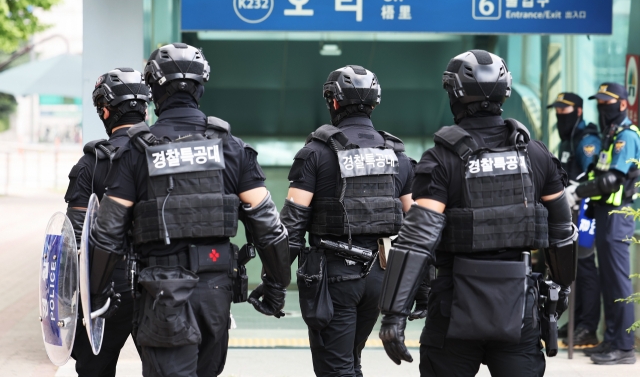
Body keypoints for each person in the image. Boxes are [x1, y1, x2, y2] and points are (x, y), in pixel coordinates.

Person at [87, 43, 291, 377]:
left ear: (152, 90)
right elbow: (268, 225)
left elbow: (108, 232)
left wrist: (97, 295)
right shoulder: (230, 146)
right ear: (201, 86)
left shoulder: (137, 151)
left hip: (161, 292)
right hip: (216, 291)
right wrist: (276, 285)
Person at [377, 50, 576, 376]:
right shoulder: (535, 154)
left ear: (454, 94)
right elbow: (562, 229)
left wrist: (393, 314)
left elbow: (416, 240)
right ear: (505, 91)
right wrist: (563, 286)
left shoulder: (441, 159)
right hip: (519, 306)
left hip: (454, 305)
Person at [279, 65, 415, 377]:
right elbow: (416, 225)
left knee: (336, 368)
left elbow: (292, 226)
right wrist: (419, 286)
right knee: (351, 360)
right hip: (380, 277)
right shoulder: (398, 155)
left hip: (334, 277)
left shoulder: (315, 152)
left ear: (334, 102)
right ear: (374, 103)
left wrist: (275, 282)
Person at [64, 67, 149, 376]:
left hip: (104, 285)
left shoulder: (93, 161)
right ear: (145, 107)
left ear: (105, 110)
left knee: (94, 368)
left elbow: (75, 235)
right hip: (159, 282)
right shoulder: (163, 153)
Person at [575, 82, 638, 365]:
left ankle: (624, 346)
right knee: (608, 280)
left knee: (618, 281)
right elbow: (600, 174)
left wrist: (577, 192)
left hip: (618, 216)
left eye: (607, 102)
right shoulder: (610, 136)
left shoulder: (627, 136)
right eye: (599, 102)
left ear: (623, 104)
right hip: (605, 215)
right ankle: (612, 339)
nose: (603, 107)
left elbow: (613, 180)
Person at [549, 92, 601, 347]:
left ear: (578, 111)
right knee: (574, 269)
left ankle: (588, 327)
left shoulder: (587, 140)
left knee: (586, 265)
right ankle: (577, 321)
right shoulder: (567, 140)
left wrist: (576, 191)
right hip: (569, 210)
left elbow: (593, 176)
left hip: (585, 209)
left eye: (565, 110)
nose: (560, 114)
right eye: (557, 110)